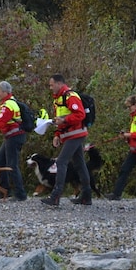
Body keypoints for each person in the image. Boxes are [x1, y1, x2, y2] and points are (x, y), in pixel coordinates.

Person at [40, 74, 93, 206]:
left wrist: (64, 120)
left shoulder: (70, 97)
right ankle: (86, 196)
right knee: (80, 164)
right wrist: (57, 134)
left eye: (52, 85)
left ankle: (56, 196)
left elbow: (79, 114)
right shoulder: (57, 100)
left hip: (76, 134)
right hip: (69, 135)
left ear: (59, 84)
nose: (50, 88)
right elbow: (59, 119)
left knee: (61, 162)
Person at [105, 95, 136, 201]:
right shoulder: (134, 116)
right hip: (135, 149)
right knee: (124, 169)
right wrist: (127, 137)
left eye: (129, 107)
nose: (128, 109)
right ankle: (116, 193)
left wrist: (128, 135)